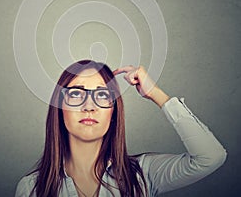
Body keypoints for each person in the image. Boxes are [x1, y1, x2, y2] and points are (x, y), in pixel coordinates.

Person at [15, 60, 227, 197]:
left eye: (102, 95)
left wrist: (155, 93)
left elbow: (211, 157)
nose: (89, 106)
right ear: (59, 108)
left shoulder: (142, 175)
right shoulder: (31, 189)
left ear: (114, 111)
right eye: (76, 94)